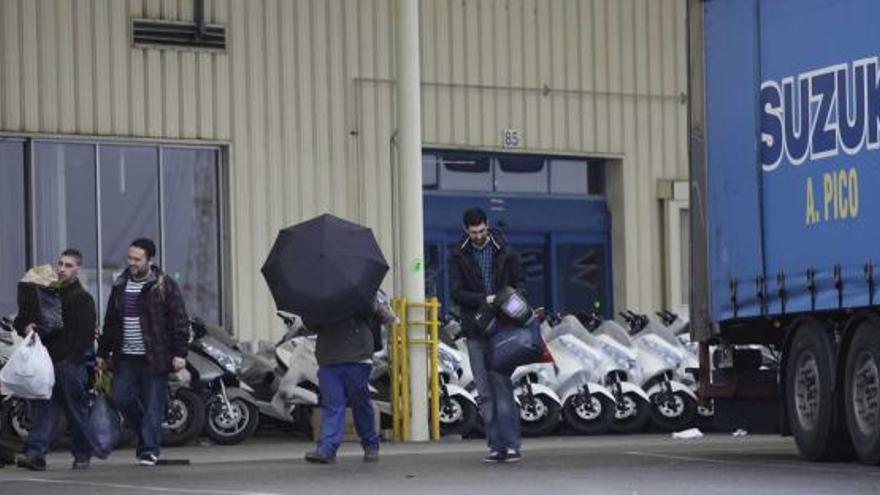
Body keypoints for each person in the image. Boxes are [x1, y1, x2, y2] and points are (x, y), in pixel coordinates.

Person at [97, 238, 189, 466]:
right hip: (125, 356)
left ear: (150, 260)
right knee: (119, 397)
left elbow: (179, 320)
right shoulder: (120, 285)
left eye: (137, 259)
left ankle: (149, 450)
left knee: (152, 406)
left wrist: (180, 353)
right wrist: (102, 352)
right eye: (130, 258)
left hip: (154, 358)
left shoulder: (164, 284)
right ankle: (146, 433)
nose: (132, 263)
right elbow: (110, 322)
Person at [450, 207, 526, 463]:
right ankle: (496, 446)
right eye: (474, 233)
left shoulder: (505, 249)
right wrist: (485, 299)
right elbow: (456, 293)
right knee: (484, 392)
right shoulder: (459, 254)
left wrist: (506, 301)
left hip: (503, 328)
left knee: (502, 386)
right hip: (475, 330)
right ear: (466, 230)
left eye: (482, 231)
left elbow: (520, 284)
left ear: (487, 225)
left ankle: (512, 445)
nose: (479, 236)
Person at [13, 249, 99, 471]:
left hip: (69, 364)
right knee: (43, 409)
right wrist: (26, 326)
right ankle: (35, 454)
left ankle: (82, 454)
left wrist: (72, 359)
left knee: (75, 411)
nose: (62, 269)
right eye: (60, 264)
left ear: (78, 269)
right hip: (46, 363)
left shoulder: (82, 298)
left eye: (69, 265)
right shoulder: (46, 294)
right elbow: (23, 319)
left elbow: (85, 335)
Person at [303, 294, 392, 465]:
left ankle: (370, 444)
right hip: (330, 358)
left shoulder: (363, 291)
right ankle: (327, 449)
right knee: (333, 404)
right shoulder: (319, 294)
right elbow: (310, 324)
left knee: (360, 403)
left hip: (356, 357)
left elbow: (383, 316)